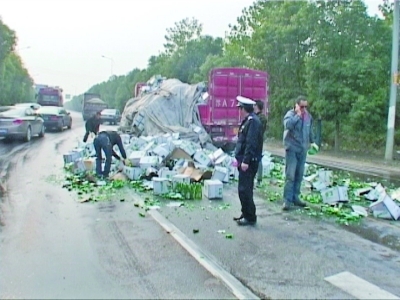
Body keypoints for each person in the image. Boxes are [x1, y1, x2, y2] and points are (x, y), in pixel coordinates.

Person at [282, 95, 318, 211]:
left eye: (305, 107)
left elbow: (309, 130)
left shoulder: (308, 116)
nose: (304, 109)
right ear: (296, 105)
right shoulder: (290, 115)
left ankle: (295, 197)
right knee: (290, 175)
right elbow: (288, 126)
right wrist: (297, 115)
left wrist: (312, 142)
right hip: (292, 148)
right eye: (302, 106)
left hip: (303, 150)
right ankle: (287, 200)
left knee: (299, 174)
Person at [233, 96, 263, 226]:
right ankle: (245, 212)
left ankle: (250, 217)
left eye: (240, 108)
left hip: (249, 162)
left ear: (244, 109)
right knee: (243, 189)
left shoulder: (253, 122)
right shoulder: (248, 121)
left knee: (245, 189)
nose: (239, 111)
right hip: (244, 161)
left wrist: (245, 161)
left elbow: (251, 143)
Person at [254, 100, 268, 187]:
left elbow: (259, 130)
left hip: (258, 141)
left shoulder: (261, 118)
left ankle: (259, 179)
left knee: (258, 159)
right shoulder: (256, 116)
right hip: (255, 141)